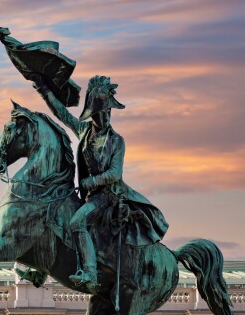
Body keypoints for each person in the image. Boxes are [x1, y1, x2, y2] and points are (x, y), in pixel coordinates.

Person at [31, 74, 168, 293]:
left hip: (109, 196)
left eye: (108, 111)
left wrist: (90, 181)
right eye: (101, 111)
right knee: (52, 214)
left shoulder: (116, 141)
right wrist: (42, 88)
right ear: (92, 112)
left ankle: (90, 272)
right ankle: (40, 268)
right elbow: (62, 114)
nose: (106, 116)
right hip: (88, 195)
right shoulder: (84, 131)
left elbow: (115, 173)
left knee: (77, 223)